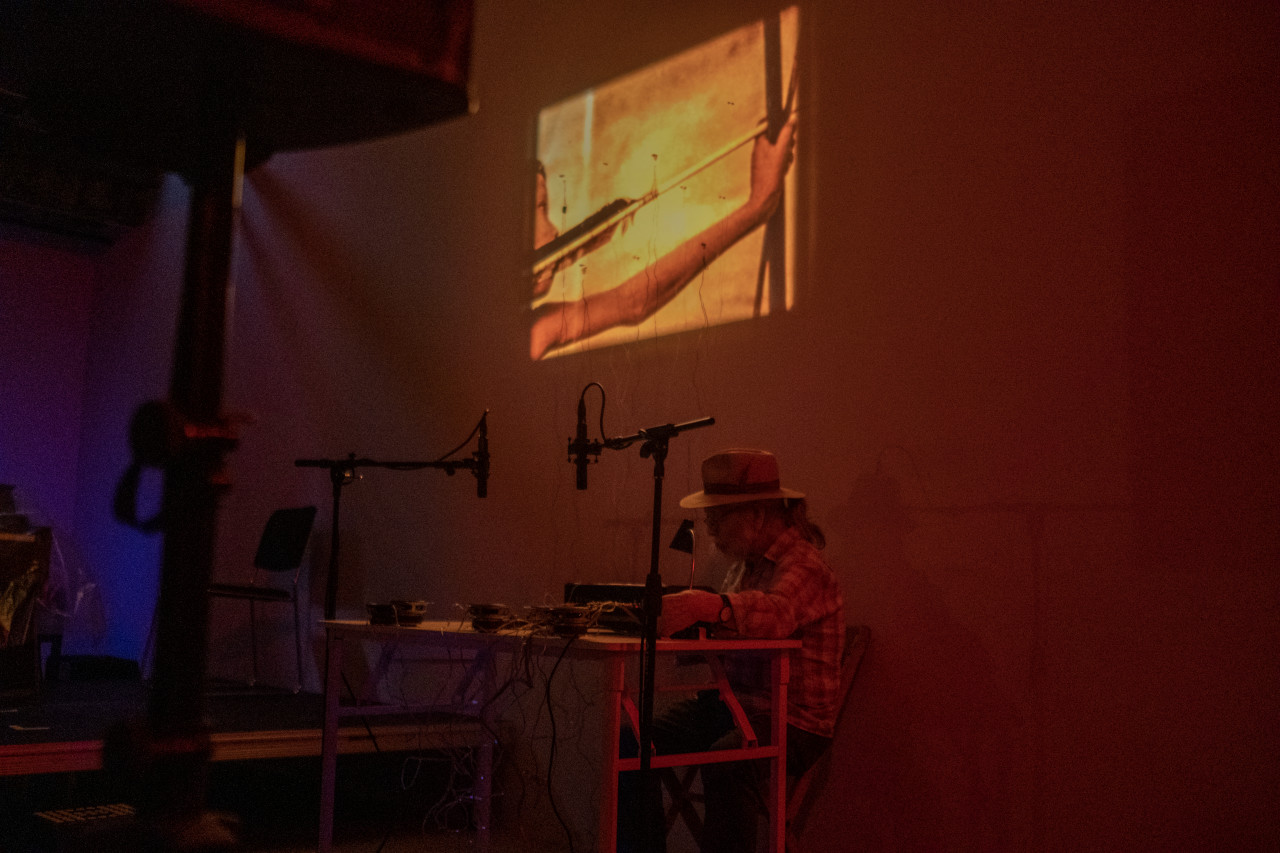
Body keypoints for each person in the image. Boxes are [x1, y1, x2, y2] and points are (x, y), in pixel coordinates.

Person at [618, 448, 845, 852]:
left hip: (790, 718)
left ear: (757, 514)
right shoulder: (749, 565)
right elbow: (740, 632)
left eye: (718, 517)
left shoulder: (804, 565)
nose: (711, 528)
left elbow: (777, 616)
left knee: (729, 761)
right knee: (630, 741)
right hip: (736, 705)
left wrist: (712, 606)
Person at [530, 117, 798, 360]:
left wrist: (756, 207)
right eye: (536, 212)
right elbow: (632, 303)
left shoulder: (533, 327)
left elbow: (631, 302)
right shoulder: (526, 335)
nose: (553, 231)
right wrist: (757, 207)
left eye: (546, 210)